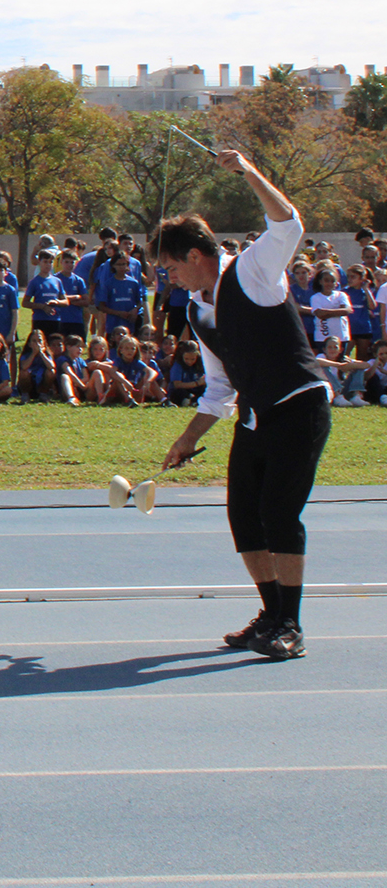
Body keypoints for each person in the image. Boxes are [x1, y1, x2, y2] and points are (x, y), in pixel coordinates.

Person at [155, 151, 331, 660]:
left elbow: (288, 224)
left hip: (299, 405)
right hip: (255, 415)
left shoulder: (251, 271)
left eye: (170, 267)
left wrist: (248, 171)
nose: (170, 278)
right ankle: (272, 613)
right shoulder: (197, 307)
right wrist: (188, 436)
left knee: (279, 513)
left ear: (194, 255)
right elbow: (218, 386)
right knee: (244, 519)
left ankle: (291, 626)